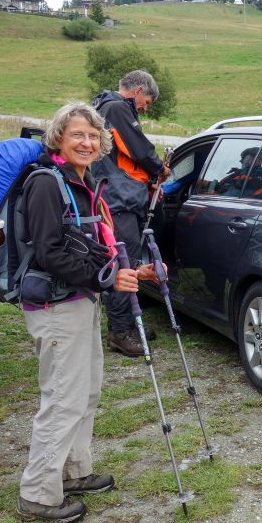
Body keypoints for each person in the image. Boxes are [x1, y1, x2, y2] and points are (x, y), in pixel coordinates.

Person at [16, 102, 155, 523]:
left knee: (86, 391)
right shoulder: (46, 183)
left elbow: (92, 247)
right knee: (62, 398)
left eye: (94, 136)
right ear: (59, 137)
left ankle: (73, 471)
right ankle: (39, 494)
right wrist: (107, 280)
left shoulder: (82, 180)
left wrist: (124, 271)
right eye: (78, 134)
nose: (87, 142)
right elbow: (50, 253)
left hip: (79, 301)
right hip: (56, 306)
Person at [91, 70, 169, 357]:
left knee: (130, 263)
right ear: (137, 91)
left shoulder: (107, 108)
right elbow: (139, 150)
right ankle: (120, 332)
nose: (146, 107)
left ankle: (130, 324)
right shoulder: (116, 108)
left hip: (121, 198)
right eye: (146, 101)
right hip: (119, 201)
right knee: (124, 264)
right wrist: (160, 170)